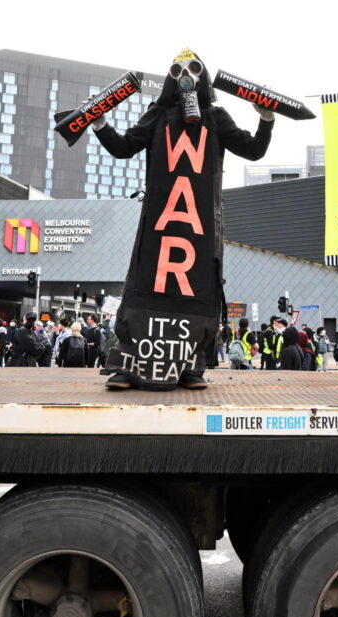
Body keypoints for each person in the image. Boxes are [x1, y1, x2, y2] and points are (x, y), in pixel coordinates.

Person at [93, 48, 273, 391]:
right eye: (176, 70)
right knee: (146, 283)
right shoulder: (157, 114)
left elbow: (252, 150)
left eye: (192, 68)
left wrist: (265, 120)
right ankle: (127, 365)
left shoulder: (216, 116)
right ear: (169, 78)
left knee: (197, 288)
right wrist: (100, 123)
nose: (184, 75)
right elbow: (124, 146)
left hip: (198, 227)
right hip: (160, 223)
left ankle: (193, 367)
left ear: (202, 76)